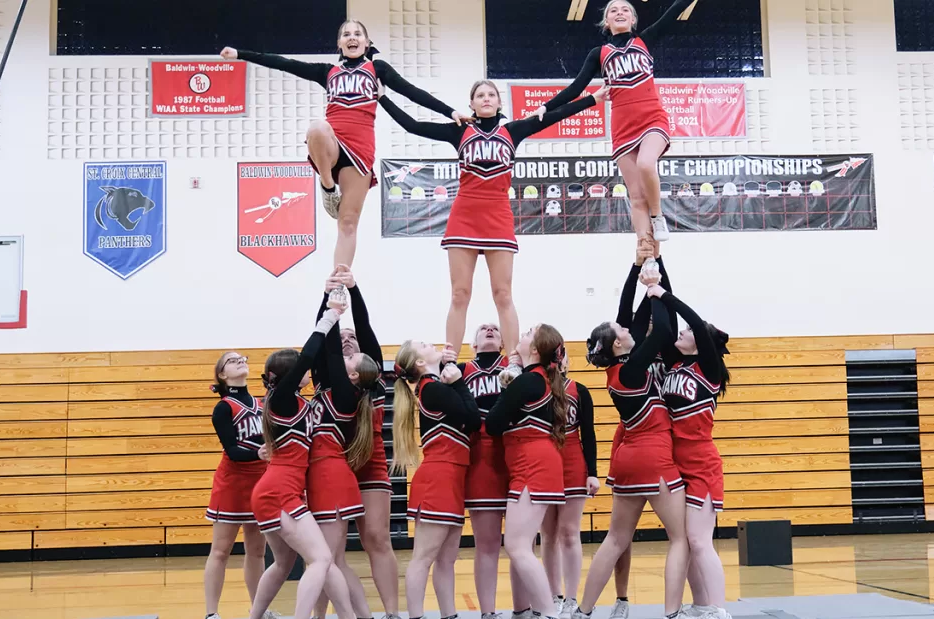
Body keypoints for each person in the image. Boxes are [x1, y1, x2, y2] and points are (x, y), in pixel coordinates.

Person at [377, 80, 610, 370]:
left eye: (491, 95)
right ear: (471, 104)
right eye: (479, 95)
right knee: (460, 293)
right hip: (464, 214)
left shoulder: (514, 130)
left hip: (498, 214)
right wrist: (382, 98)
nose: (486, 99)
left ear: (499, 103)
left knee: (503, 293)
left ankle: (514, 362)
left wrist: (593, 100)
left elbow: (555, 115)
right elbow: (412, 125)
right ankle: (450, 360)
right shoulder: (459, 131)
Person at [220, 19, 470, 266]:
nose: (352, 38)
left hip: (360, 150)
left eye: (358, 34)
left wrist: (450, 112)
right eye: (346, 34)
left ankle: (339, 280)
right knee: (317, 128)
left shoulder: (378, 69)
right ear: (339, 43)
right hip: (333, 142)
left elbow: (412, 92)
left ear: (367, 42)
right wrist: (241, 54)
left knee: (348, 223)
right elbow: (285, 64)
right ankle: (328, 187)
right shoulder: (328, 72)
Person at [533, 0, 698, 246]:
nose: (619, 12)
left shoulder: (645, 40)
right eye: (613, 10)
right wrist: (546, 106)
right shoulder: (598, 54)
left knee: (645, 163)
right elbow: (576, 87)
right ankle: (647, 252)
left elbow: (674, 11)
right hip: (622, 127)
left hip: (652, 117)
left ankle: (658, 215)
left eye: (625, 10)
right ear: (606, 22)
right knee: (636, 196)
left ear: (632, 20)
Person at [574, 276, 689, 619]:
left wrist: (643, 269)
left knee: (615, 539)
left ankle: (583, 610)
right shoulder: (634, 367)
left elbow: (631, 318)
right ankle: (672, 612)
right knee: (680, 538)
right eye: (619, 330)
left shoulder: (619, 368)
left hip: (626, 459)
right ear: (618, 345)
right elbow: (664, 331)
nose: (624, 327)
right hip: (653, 457)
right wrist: (656, 292)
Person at [247, 299, 355, 619]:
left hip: (278, 488)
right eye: (298, 369)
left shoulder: (293, 402)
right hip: (280, 492)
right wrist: (329, 318)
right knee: (321, 559)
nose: (305, 370)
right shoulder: (281, 398)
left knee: (285, 564)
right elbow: (308, 355)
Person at [310, 267, 400, 619]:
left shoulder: (371, 375)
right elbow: (324, 339)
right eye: (340, 337)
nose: (347, 338)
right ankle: (320, 614)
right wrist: (328, 301)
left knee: (377, 539)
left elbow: (363, 326)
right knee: (327, 553)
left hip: (370, 464)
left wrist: (352, 289)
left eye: (353, 339)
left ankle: (392, 612)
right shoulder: (326, 376)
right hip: (331, 467)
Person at [391, 339, 482, 619]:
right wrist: (458, 382)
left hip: (451, 478)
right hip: (439, 478)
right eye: (424, 344)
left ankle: (449, 614)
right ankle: (416, 616)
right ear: (420, 362)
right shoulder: (433, 389)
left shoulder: (433, 387)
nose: (430, 343)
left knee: (446, 560)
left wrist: (450, 369)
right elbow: (474, 419)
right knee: (423, 558)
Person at [485, 324, 571, 619]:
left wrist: (507, 386)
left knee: (517, 546)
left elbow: (493, 423)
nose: (519, 336)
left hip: (533, 467)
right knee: (521, 545)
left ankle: (547, 611)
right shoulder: (539, 379)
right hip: (532, 465)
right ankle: (523, 610)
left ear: (534, 350)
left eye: (526, 334)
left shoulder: (528, 382)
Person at [657, 291, 732, 619]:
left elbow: (697, 324)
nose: (682, 333)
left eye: (688, 332)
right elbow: (668, 323)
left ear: (700, 342)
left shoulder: (709, 370)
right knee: (684, 541)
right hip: (674, 462)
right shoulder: (674, 364)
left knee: (700, 541)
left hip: (701, 462)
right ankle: (701, 605)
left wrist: (664, 294)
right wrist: (654, 273)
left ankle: (718, 609)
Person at [458, 324, 531, 619]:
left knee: (522, 544)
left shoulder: (517, 369)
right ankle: (487, 613)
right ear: (473, 344)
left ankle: (522, 609)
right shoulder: (460, 371)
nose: (489, 330)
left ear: (503, 343)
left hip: (517, 456)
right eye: (482, 329)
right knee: (486, 544)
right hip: (481, 460)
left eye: (495, 329)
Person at [204, 352, 269, 619]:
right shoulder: (223, 407)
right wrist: (259, 454)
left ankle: (259, 610)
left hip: (261, 482)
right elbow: (232, 450)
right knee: (220, 551)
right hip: (232, 484)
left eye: (242, 357)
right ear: (222, 374)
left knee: (257, 551)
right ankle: (211, 614)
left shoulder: (263, 403)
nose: (240, 360)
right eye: (232, 360)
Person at [540, 352, 598, 619]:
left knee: (569, 532)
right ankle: (553, 596)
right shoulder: (535, 387)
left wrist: (593, 473)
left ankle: (572, 599)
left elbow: (589, 432)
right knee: (548, 533)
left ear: (566, 361)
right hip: (543, 461)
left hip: (573, 460)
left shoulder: (580, 390)